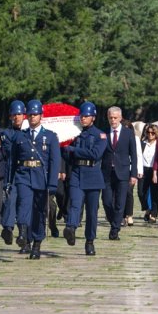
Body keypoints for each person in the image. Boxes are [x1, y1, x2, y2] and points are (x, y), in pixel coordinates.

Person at [9, 100, 60, 259]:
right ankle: (23, 233)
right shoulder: (21, 135)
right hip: (24, 175)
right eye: (29, 115)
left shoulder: (50, 136)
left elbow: (54, 161)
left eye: (35, 114)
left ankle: (37, 243)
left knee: (39, 211)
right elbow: (13, 159)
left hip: (41, 177)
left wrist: (52, 183)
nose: (32, 117)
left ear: (41, 116)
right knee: (24, 205)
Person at [62, 101, 107, 256]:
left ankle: (90, 241)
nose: (83, 119)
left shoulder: (100, 135)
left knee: (92, 212)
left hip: (93, 174)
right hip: (76, 172)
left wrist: (74, 149)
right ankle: (71, 228)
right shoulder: (74, 133)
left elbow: (95, 154)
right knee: (74, 204)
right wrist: (65, 149)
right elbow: (67, 153)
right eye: (81, 116)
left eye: (86, 116)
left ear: (93, 117)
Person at [101, 106, 138, 240]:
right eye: (110, 117)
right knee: (106, 201)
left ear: (120, 118)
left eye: (115, 117)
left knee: (120, 203)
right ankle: (114, 222)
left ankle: (115, 229)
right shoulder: (103, 133)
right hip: (106, 173)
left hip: (122, 172)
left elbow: (133, 155)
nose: (113, 120)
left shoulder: (128, 133)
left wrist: (134, 174)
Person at [0, 100, 26, 248]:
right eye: (14, 114)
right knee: (10, 200)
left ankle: (23, 234)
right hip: (13, 172)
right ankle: (8, 228)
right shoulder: (6, 134)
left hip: (28, 172)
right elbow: (10, 151)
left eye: (19, 114)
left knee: (25, 204)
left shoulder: (30, 132)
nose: (17, 117)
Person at [139, 123, 158, 223]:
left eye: (153, 133)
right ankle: (147, 209)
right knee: (141, 192)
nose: (150, 134)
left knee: (155, 193)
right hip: (143, 170)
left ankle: (153, 214)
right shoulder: (142, 143)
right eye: (148, 132)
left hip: (155, 170)